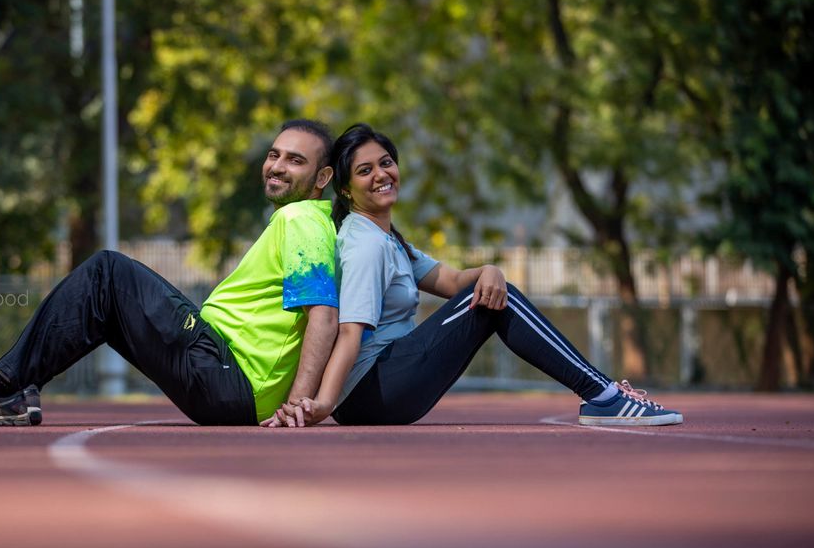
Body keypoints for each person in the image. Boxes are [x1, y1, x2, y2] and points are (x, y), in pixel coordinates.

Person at [0, 119, 339, 426]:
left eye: (295, 160)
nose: (277, 166)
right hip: (224, 378)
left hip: (229, 375)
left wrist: (297, 403)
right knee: (105, 304)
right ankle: (12, 391)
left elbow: (322, 314)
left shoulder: (301, 220)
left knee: (107, 272)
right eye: (274, 154)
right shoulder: (304, 222)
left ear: (322, 177)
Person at [264, 123, 683, 428]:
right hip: (372, 393)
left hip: (380, 391)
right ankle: (603, 395)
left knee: (491, 289)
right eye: (365, 170)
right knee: (501, 301)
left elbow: (448, 280)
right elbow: (350, 332)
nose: (381, 175)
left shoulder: (386, 238)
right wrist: (323, 403)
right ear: (346, 190)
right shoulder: (364, 243)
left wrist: (490, 270)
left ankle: (602, 394)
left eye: (386, 163)